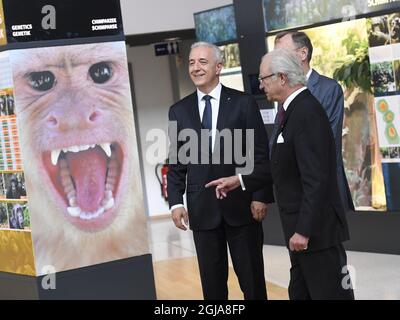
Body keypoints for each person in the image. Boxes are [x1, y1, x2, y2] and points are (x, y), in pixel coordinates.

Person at [206, 49, 354, 300]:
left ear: (283, 78)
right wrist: (239, 180)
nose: (260, 85)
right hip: (301, 236)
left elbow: (316, 179)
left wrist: (304, 230)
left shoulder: (306, 112)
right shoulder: (292, 111)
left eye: (264, 78)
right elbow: (282, 165)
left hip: (317, 236)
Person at [167, 41, 273, 300]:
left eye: (202, 62)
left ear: (219, 67)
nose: (196, 68)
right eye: (192, 63)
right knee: (212, 288)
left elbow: (259, 154)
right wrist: (175, 203)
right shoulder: (178, 111)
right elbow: (176, 161)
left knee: (252, 281)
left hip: (242, 206)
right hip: (202, 209)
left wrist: (260, 195)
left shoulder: (243, 103)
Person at [273, 31, 354, 212]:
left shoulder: (328, 89)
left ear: (303, 54)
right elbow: (278, 139)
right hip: (295, 190)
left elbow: (326, 142)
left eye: (281, 53)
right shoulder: (284, 93)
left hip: (323, 188)